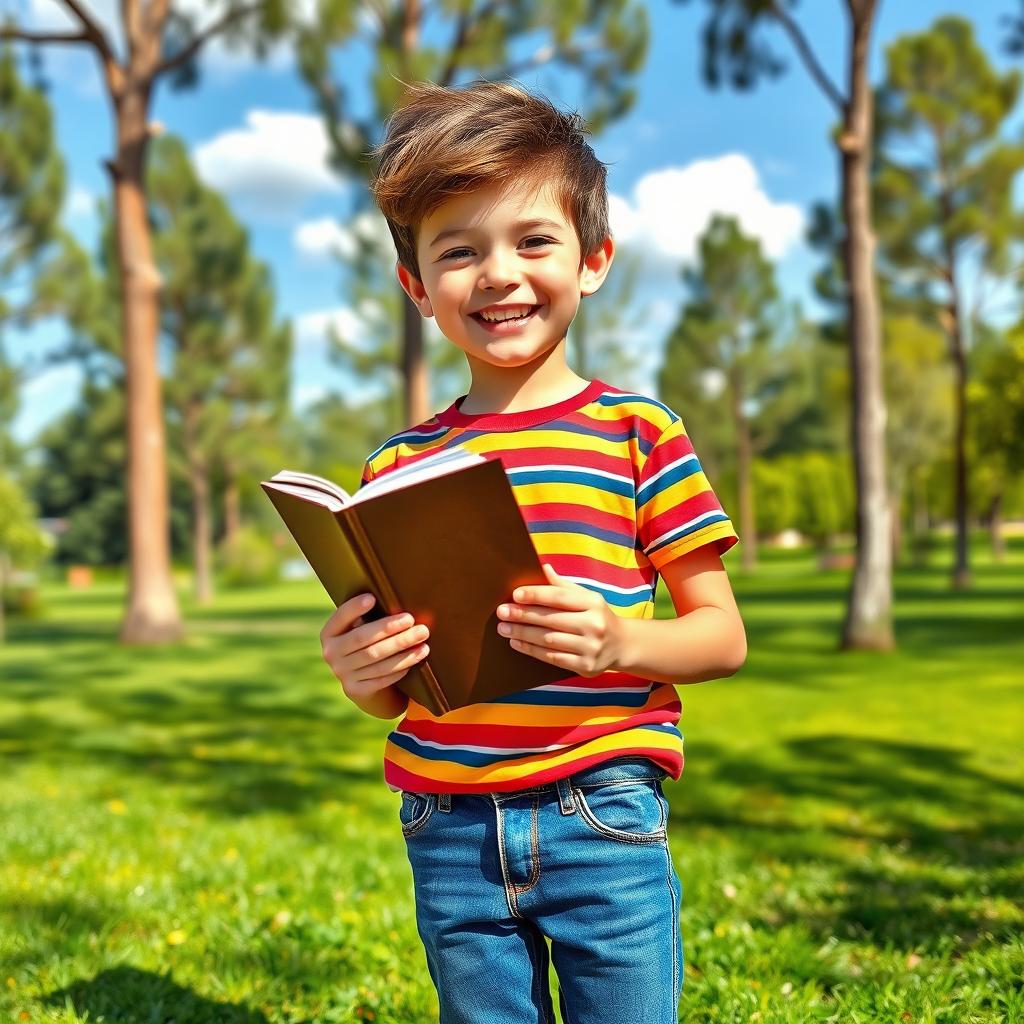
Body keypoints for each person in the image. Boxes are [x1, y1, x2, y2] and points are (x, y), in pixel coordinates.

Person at [319, 78, 746, 1024]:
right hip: (449, 824)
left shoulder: (637, 433)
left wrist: (621, 642)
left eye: (533, 241)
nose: (498, 274)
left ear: (593, 260)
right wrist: (359, 672)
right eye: (458, 251)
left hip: (602, 806)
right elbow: (398, 689)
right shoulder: (397, 466)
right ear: (416, 286)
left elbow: (721, 637)